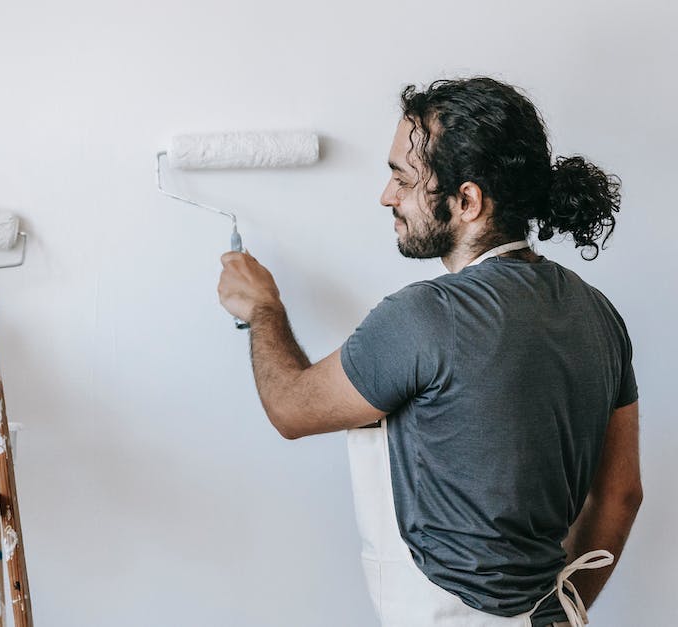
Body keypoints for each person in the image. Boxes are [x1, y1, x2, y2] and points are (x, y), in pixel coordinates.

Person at [217, 77, 641, 626]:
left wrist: (262, 309)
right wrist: (560, 608)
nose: (386, 195)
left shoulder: (425, 316)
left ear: (466, 201)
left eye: (402, 177)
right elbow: (621, 495)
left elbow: (291, 409)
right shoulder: (598, 314)